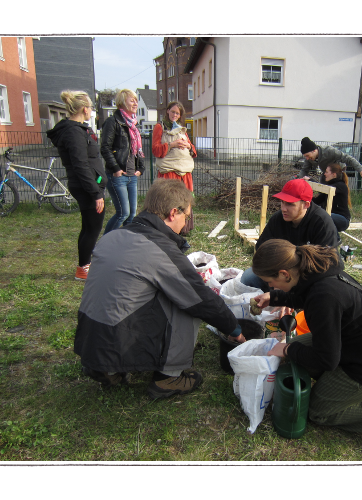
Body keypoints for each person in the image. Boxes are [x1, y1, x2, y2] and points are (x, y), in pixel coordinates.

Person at [75, 179, 246, 400]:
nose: (186, 223)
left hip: (90, 340)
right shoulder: (158, 249)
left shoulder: (113, 236)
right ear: (173, 213)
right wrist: (234, 330)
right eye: (187, 216)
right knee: (188, 302)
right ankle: (169, 377)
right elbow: (201, 299)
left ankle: (108, 368)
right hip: (118, 339)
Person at [251, 240, 362, 454]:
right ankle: (334, 387)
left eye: (270, 283)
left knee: (317, 411)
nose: (271, 286)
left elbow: (327, 360)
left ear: (285, 274)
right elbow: (303, 294)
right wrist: (273, 297)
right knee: (294, 348)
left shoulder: (324, 297)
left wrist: (287, 350)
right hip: (351, 347)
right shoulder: (315, 271)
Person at [239, 178, 342, 293]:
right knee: (248, 278)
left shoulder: (322, 223)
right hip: (278, 273)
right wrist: (277, 278)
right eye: (282, 202)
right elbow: (261, 248)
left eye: (290, 204)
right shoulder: (278, 218)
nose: (283, 208)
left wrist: (290, 290)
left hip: (307, 277)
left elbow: (328, 265)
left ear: (306, 204)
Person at [46, 90, 106, 281]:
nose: (91, 111)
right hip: (87, 187)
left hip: (89, 185)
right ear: (84, 108)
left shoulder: (78, 129)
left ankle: (85, 265)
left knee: (88, 227)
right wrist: (96, 193)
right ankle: (83, 269)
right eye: (90, 107)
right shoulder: (73, 132)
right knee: (92, 228)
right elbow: (81, 165)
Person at [100, 89, 145, 235]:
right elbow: (105, 147)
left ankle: (124, 243)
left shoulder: (133, 124)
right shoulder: (113, 122)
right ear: (122, 102)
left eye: (136, 100)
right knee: (123, 213)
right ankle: (105, 244)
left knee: (132, 215)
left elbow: (137, 150)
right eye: (131, 100)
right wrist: (115, 168)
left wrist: (141, 168)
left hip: (132, 176)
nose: (135, 103)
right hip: (118, 176)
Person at [152, 101, 197, 235]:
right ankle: (167, 229)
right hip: (169, 172)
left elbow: (193, 151)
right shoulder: (160, 127)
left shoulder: (182, 129)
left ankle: (183, 228)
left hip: (184, 172)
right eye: (173, 112)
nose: (175, 115)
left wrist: (189, 147)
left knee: (184, 199)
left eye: (178, 113)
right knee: (170, 199)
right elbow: (155, 150)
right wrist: (172, 144)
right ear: (167, 111)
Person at [298, 137, 362, 181]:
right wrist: (297, 179)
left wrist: (361, 170)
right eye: (305, 156)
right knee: (323, 191)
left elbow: (348, 159)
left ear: (314, 150)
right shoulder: (310, 159)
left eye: (307, 155)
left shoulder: (329, 151)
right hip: (326, 173)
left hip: (338, 172)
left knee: (337, 191)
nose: (307, 158)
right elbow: (304, 170)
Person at [314, 162, 352, 232]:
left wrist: (311, 181)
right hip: (331, 216)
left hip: (343, 219)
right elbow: (317, 201)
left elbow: (325, 188)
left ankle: (336, 239)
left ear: (333, 174)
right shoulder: (330, 186)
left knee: (323, 217)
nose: (324, 174)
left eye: (326, 172)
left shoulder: (340, 186)